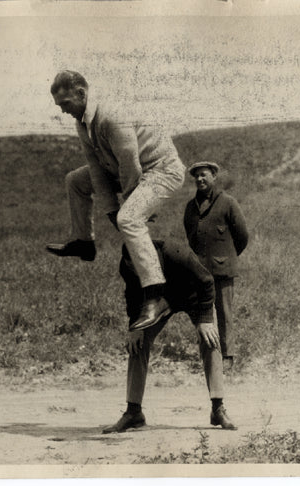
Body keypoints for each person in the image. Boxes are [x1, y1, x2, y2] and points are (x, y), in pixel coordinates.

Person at [47, 70, 185, 330]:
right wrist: (110, 209)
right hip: (122, 168)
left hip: (160, 169)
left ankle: (156, 295)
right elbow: (96, 169)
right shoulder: (82, 122)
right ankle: (84, 242)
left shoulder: (111, 115)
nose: (63, 111)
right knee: (75, 180)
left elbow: (130, 165)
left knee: (130, 219)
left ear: (81, 93)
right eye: (59, 106)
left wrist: (128, 209)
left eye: (65, 104)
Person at [102, 239, 237, 433]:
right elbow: (132, 295)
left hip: (194, 297)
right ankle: (134, 412)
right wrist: (135, 327)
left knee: (211, 339)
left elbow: (207, 282)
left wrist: (206, 319)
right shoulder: (127, 265)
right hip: (160, 302)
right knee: (137, 342)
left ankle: (218, 408)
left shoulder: (176, 253)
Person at [183, 162, 249, 371]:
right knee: (203, 314)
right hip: (200, 273)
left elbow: (242, 237)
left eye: (204, 175)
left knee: (224, 313)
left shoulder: (228, 203)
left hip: (223, 271)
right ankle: (208, 354)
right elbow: (191, 237)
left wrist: (226, 258)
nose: (200, 180)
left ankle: (228, 357)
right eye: (197, 177)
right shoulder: (191, 207)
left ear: (213, 177)